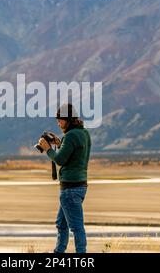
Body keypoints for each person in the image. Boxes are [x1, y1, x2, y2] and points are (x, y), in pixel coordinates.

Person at [37, 103, 92, 253]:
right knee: (61, 224)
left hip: (70, 189)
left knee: (76, 227)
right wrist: (60, 144)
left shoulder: (71, 135)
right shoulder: (84, 133)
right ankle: (58, 253)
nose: (58, 123)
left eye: (60, 120)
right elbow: (72, 154)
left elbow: (60, 160)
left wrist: (48, 149)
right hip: (80, 186)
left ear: (68, 120)